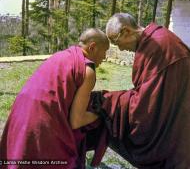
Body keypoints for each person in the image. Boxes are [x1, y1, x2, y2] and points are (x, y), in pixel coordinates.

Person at [95, 12, 190, 169]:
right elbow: (154, 89)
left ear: (126, 31)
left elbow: (146, 104)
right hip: (179, 112)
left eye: (117, 43)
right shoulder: (158, 37)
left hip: (179, 119)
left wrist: (109, 100)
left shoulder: (159, 44)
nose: (121, 49)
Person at [0, 28, 109, 169]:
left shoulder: (60, 55)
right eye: (104, 51)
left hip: (19, 115)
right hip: (41, 123)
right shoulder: (87, 70)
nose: (105, 57)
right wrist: (100, 113)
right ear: (92, 47)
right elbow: (77, 121)